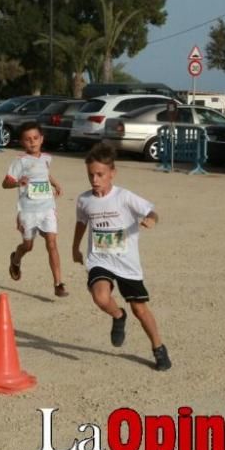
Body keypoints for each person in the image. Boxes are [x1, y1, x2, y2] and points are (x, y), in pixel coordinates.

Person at [72, 143, 171, 371]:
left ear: (112, 173)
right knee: (100, 297)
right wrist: (75, 248)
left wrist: (152, 219)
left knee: (140, 309)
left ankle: (158, 347)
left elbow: (151, 211)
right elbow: (81, 223)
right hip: (100, 259)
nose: (95, 180)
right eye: (91, 175)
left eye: (100, 174)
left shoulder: (125, 197)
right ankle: (118, 315)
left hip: (126, 263)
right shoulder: (84, 200)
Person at [3, 122, 68, 298]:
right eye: (27, 139)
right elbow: (5, 183)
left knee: (52, 243)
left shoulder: (47, 158)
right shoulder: (20, 161)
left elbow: (44, 173)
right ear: (22, 142)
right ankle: (15, 259)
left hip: (47, 208)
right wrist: (17, 182)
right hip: (28, 211)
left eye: (35, 138)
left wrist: (55, 184)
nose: (32, 142)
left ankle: (58, 283)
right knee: (28, 245)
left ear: (41, 139)